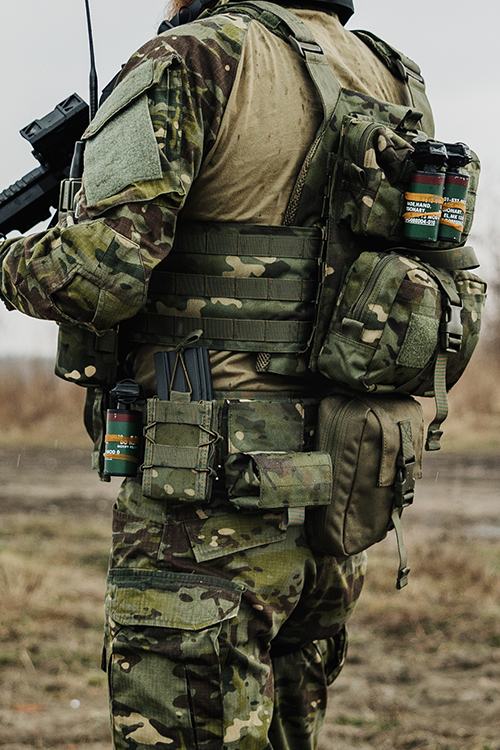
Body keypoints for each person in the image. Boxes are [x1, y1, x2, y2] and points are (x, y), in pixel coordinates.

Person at [0, 0, 437, 747]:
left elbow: (97, 274)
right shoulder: (389, 74)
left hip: (209, 502)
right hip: (340, 487)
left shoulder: (195, 56)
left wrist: (10, 263)